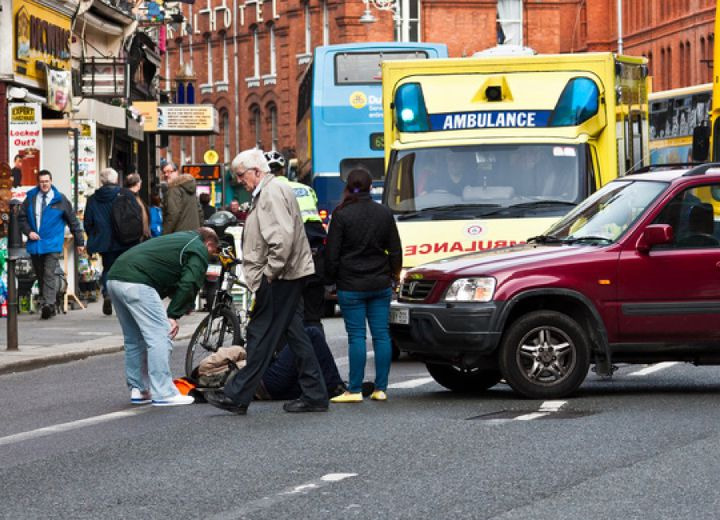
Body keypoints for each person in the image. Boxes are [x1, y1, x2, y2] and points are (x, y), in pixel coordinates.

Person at [204, 148, 329, 415]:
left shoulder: (270, 193)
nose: (239, 181)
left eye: (241, 175)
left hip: (280, 277)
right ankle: (315, 392)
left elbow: (280, 240)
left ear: (256, 171)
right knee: (295, 334)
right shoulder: (274, 190)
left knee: (261, 334)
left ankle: (237, 395)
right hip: (289, 274)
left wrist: (268, 274)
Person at [106, 227, 219, 406]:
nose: (211, 256)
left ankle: (140, 389)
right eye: (213, 252)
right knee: (160, 335)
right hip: (138, 282)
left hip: (114, 278)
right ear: (209, 244)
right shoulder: (198, 247)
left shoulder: (179, 238)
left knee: (134, 339)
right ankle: (163, 392)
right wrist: (173, 315)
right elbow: (189, 282)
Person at [325, 168, 402, 403]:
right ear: (371, 187)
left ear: (348, 187)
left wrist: (330, 280)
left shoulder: (341, 215)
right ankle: (381, 388)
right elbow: (395, 249)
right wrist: (394, 275)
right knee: (381, 335)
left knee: (356, 336)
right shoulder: (383, 213)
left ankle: (355, 389)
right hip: (380, 282)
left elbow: (332, 254)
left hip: (351, 284)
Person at [264, 150, 327, 331]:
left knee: (290, 316)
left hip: (292, 255)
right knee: (313, 316)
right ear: (283, 170)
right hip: (315, 252)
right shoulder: (306, 189)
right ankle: (318, 355)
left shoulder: (270, 190)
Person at [18, 169, 85, 319]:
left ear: (51, 181)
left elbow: (73, 221)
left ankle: (48, 304)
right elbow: (21, 218)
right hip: (35, 244)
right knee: (40, 274)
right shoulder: (31, 198)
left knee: (49, 272)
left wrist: (80, 241)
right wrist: (28, 232)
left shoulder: (60, 199)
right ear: (38, 182)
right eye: (41, 182)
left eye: (46, 181)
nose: (44, 184)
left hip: (53, 243)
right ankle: (50, 303)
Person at [256, 326, 346, 400]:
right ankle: (334, 386)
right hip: (263, 380)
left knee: (315, 385)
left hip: (265, 380)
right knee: (311, 333)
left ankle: (334, 386)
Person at [84, 167, 127, 315]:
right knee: (123, 267)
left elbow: (87, 222)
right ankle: (121, 297)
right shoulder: (123, 195)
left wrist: (94, 235)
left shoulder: (93, 199)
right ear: (116, 180)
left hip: (103, 240)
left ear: (101, 181)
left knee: (108, 267)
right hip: (122, 238)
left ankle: (107, 294)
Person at [162, 161, 203, 234]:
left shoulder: (174, 190)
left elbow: (173, 214)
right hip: (194, 234)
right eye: (164, 172)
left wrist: (164, 234)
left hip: (179, 236)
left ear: (176, 172)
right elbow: (199, 212)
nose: (166, 175)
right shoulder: (190, 188)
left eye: (169, 171)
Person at [125, 173, 151, 241]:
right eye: (140, 181)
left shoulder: (135, 196)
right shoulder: (129, 197)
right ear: (137, 183)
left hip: (141, 236)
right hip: (135, 238)